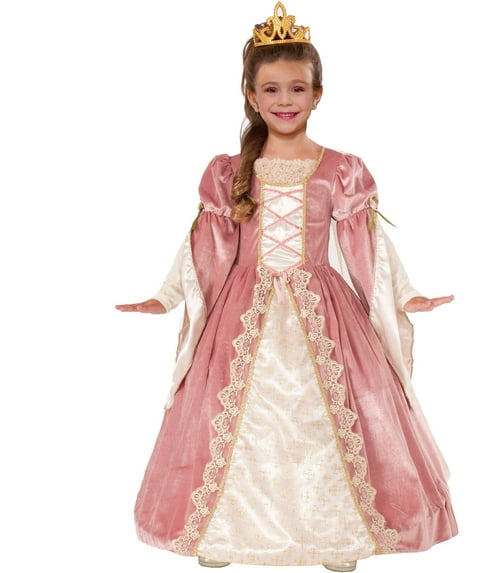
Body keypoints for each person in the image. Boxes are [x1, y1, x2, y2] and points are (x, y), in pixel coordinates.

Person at [116, 3, 458, 571]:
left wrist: (405, 295)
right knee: (233, 412)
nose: (284, 100)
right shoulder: (229, 171)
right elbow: (208, 245)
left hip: (323, 308)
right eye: (271, 89)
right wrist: (166, 296)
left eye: (297, 88)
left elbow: (367, 246)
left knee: (326, 413)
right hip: (242, 312)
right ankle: (225, 530)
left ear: (318, 94)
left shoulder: (340, 168)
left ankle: (337, 533)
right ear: (251, 96)